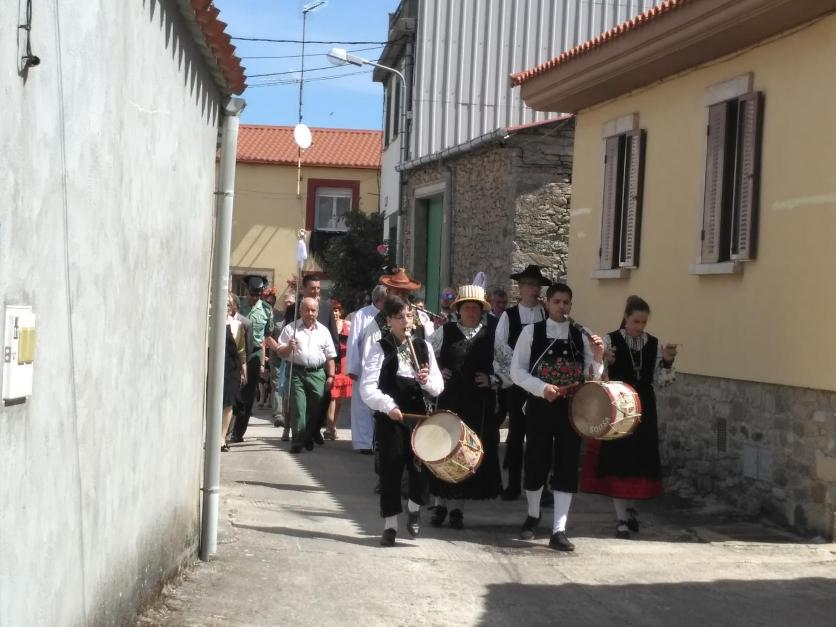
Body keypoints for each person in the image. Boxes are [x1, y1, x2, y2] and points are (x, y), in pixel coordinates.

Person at [510, 282, 604, 551]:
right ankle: (533, 515)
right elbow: (517, 372)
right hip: (540, 405)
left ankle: (559, 529)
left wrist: (598, 357)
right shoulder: (531, 332)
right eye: (557, 302)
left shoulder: (581, 335)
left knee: (567, 463)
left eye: (566, 303)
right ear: (547, 303)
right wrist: (542, 389)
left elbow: (592, 377)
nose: (562, 307)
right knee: (536, 459)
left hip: (572, 408)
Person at [581, 295, 677, 539]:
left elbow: (663, 381)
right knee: (619, 458)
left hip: (644, 406)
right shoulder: (610, 340)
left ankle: (631, 509)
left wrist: (667, 362)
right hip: (618, 405)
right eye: (636, 321)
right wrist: (604, 359)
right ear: (626, 318)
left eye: (643, 322)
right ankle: (621, 518)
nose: (639, 326)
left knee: (640, 459)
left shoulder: (653, 343)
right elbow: (596, 375)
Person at [359, 295, 444, 547]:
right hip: (392, 418)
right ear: (389, 321)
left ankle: (414, 508)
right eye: (399, 317)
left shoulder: (423, 347)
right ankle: (390, 526)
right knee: (391, 471)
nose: (406, 321)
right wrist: (388, 406)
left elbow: (438, 387)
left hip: (419, 418)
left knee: (420, 470)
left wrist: (426, 381)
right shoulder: (380, 348)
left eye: (409, 315)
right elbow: (367, 388)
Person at [427, 285, 502, 529]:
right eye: (466, 307)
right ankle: (439, 504)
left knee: (467, 453)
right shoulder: (445, 331)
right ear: (458, 310)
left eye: (475, 308)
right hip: (449, 400)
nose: (471, 312)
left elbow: (511, 363)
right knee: (444, 450)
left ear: (481, 311)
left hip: (478, 405)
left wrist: (493, 379)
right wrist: (437, 371)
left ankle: (458, 509)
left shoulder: (492, 336)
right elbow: (422, 354)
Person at [493, 265, 551, 500]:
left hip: (542, 383)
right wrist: (513, 376)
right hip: (518, 384)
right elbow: (500, 349)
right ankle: (514, 485)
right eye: (529, 285)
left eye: (537, 285)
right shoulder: (509, 316)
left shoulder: (546, 314)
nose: (534, 289)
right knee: (516, 435)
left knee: (541, 437)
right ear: (520, 287)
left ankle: (540, 486)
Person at [276, 297, 337, 454]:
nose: (310, 313)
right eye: (307, 310)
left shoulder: (323, 331)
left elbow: (330, 357)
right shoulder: (291, 329)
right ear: (300, 311)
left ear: (317, 312)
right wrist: (289, 348)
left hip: (317, 373)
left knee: (317, 407)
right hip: (296, 372)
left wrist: (331, 376)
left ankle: (309, 434)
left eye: (313, 310)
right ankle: (298, 440)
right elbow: (280, 352)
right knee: (299, 407)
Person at [285, 274, 339, 446]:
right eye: (312, 288)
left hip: (320, 363)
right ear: (303, 289)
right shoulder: (293, 309)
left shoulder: (326, 307)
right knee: (299, 403)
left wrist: (333, 365)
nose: (316, 291)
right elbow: (286, 334)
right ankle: (300, 435)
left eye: (318, 288)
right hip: (298, 363)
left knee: (318, 403)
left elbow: (333, 335)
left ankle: (314, 430)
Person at [230, 276, 277, 443]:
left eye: (258, 295)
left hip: (254, 354)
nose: (254, 298)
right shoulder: (237, 305)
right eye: (252, 294)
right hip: (234, 352)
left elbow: (267, 335)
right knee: (232, 391)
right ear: (247, 291)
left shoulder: (266, 309)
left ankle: (238, 432)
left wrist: (277, 351)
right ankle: (226, 428)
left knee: (248, 395)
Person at [345, 284, 388, 453]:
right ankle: (363, 443)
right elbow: (354, 341)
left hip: (384, 365)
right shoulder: (362, 315)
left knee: (380, 404)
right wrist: (353, 367)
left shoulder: (391, 314)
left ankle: (379, 441)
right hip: (364, 366)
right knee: (362, 406)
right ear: (379, 300)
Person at [222, 294, 248, 452]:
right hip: (214, 366)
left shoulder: (237, 325)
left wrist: (244, 371)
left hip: (232, 368)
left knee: (229, 402)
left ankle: (221, 438)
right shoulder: (209, 322)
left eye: (228, 304)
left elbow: (241, 351)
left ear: (232, 307)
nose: (226, 306)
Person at [324, 299, 353, 440]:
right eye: (332, 311)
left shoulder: (348, 325)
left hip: (344, 365)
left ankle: (333, 426)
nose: (335, 313)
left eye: (337, 310)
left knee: (340, 399)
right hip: (332, 364)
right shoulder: (326, 325)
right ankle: (329, 427)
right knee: (332, 397)